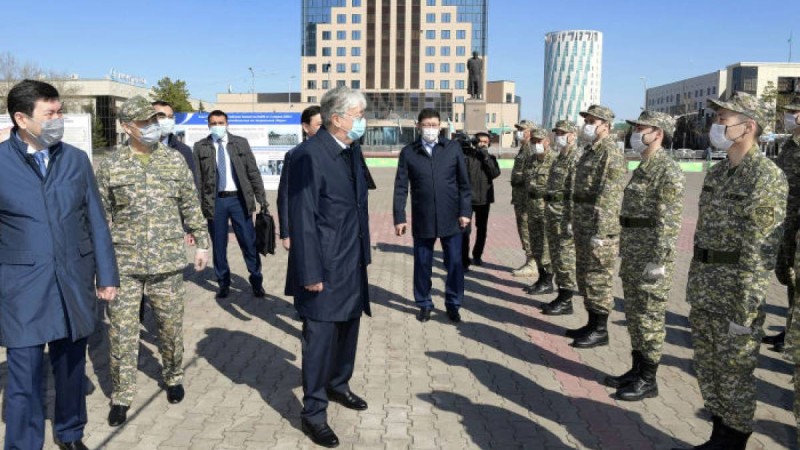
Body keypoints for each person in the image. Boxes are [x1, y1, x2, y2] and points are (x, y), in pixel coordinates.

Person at [0, 79, 119, 450]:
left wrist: (107, 275)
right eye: (49, 113)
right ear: (22, 118)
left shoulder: (76, 160)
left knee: (70, 369)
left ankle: (70, 432)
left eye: (59, 111)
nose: (58, 119)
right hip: (22, 288)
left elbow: (96, 220)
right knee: (24, 376)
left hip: (73, 281)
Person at [675, 92, 787, 450]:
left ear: (748, 126)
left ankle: (733, 440)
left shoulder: (765, 177)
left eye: (723, 119)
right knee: (708, 368)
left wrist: (747, 307)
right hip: (706, 287)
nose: (716, 126)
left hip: (736, 294)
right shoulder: (719, 172)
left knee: (734, 373)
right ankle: (719, 435)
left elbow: (760, 251)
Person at [95, 95, 210, 427]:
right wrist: (100, 268)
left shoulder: (174, 162)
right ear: (127, 127)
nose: (153, 126)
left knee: (170, 330)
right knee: (121, 333)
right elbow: (100, 220)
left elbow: (191, 205)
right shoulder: (111, 166)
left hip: (168, 264)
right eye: (145, 122)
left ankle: (173, 376)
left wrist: (202, 243)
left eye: (155, 120)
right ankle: (121, 395)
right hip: (124, 265)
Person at [286, 86, 372, 448]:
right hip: (322, 266)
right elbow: (302, 218)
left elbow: (357, 204)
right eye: (359, 114)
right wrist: (310, 274)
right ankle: (314, 412)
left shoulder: (350, 150)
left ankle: (339, 385)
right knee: (319, 341)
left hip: (350, 262)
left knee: (347, 332)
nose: (363, 121)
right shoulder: (309, 156)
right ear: (337, 118)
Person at [604, 111, 684, 402]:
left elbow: (668, 223)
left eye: (642, 128)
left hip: (651, 259)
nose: (635, 132)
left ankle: (649, 379)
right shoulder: (644, 166)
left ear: (658, 133)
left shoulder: (667, 170)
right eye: (635, 126)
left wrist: (658, 262)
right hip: (634, 254)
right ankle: (637, 370)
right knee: (636, 316)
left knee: (649, 318)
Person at [393, 108, 472, 323]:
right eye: (426, 125)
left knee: (455, 263)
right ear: (418, 126)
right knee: (422, 264)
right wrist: (399, 217)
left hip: (452, 218)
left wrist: (465, 212)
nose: (430, 129)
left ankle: (453, 304)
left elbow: (465, 185)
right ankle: (424, 303)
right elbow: (401, 187)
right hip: (423, 217)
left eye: (434, 125)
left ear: (440, 126)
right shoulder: (409, 152)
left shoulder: (452, 148)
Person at [566, 104, 626, 348]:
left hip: (598, 226)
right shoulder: (590, 150)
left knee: (598, 277)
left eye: (593, 121)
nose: (587, 125)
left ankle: (601, 329)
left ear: (606, 126)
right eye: (587, 120)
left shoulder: (610, 152)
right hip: (583, 222)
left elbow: (610, 194)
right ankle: (591, 323)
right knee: (584, 275)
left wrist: (602, 232)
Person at [193, 110, 269, 298]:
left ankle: (256, 280)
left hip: (239, 200)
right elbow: (198, 179)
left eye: (220, 122)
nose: (217, 126)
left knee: (248, 243)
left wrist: (262, 199)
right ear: (208, 125)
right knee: (219, 245)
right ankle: (223, 282)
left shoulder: (240, 143)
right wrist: (198, 206)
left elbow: (252, 172)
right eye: (213, 123)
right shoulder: (200, 146)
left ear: (227, 123)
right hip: (215, 202)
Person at [767, 95, 800, 352]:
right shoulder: (789, 144)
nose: (790, 116)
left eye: (794, 111)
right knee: (788, 275)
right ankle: (789, 329)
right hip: (786, 222)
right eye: (789, 111)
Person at [540, 120, 579, 315]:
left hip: (564, 216)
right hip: (553, 214)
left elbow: (574, 191)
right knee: (556, 256)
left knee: (565, 258)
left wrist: (572, 219)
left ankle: (567, 299)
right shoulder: (560, 157)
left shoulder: (575, 158)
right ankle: (561, 294)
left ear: (573, 134)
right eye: (556, 132)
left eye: (563, 132)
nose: (559, 135)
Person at [278, 105, 322, 251]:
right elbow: (284, 196)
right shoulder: (295, 156)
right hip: (305, 228)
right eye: (319, 125)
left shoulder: (340, 154)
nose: (324, 129)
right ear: (305, 127)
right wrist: (286, 234)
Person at [524, 127, 557, 294]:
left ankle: (548, 281)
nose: (536, 144)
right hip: (532, 208)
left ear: (547, 141)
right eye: (534, 141)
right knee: (535, 245)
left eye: (539, 141)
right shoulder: (530, 160)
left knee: (546, 247)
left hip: (547, 209)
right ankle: (541, 277)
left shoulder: (554, 160)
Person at [461, 131, 500, 268]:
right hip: (468, 200)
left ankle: (477, 256)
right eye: (480, 141)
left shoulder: (491, 158)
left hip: (484, 199)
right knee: (465, 231)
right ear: (475, 142)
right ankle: (464, 260)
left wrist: (486, 158)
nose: (483, 144)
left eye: (486, 141)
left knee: (482, 229)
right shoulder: (467, 157)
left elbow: (495, 173)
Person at [510, 120, 536, 277]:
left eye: (522, 129)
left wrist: (520, 177)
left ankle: (532, 263)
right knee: (523, 229)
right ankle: (530, 260)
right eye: (518, 129)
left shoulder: (532, 149)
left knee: (527, 231)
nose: (519, 132)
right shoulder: (523, 149)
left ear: (530, 132)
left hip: (527, 200)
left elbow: (534, 174)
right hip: (519, 198)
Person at [152, 100, 196, 179]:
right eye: (161, 117)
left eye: (170, 117)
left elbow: (192, 184)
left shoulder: (183, 151)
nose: (167, 120)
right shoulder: (137, 148)